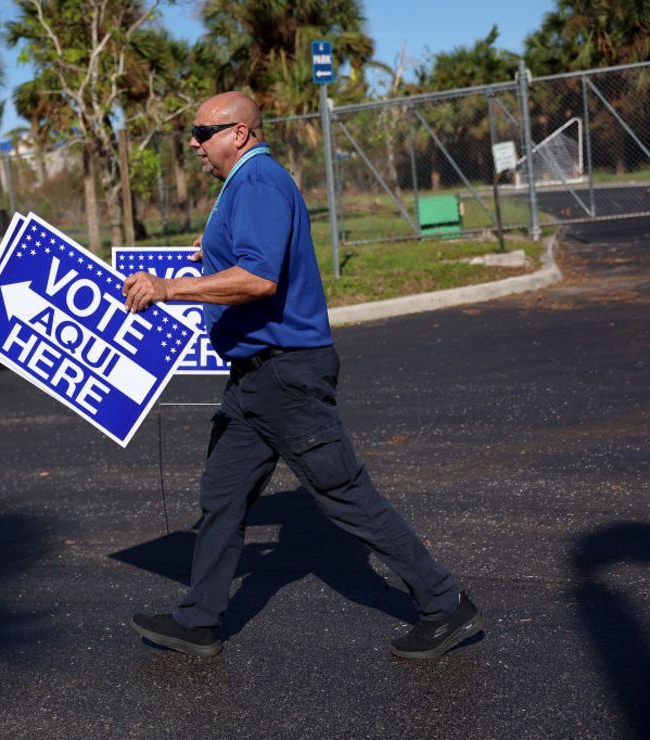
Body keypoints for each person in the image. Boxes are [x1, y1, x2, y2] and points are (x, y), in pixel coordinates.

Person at [122, 91, 483, 660]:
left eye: (202, 131)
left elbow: (260, 280)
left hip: (284, 375)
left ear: (238, 133)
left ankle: (444, 603)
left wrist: (170, 288)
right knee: (222, 493)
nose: (193, 143)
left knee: (345, 497)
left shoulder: (259, 181)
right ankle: (199, 621)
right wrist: (208, 255)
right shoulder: (242, 187)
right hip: (252, 381)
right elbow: (250, 258)